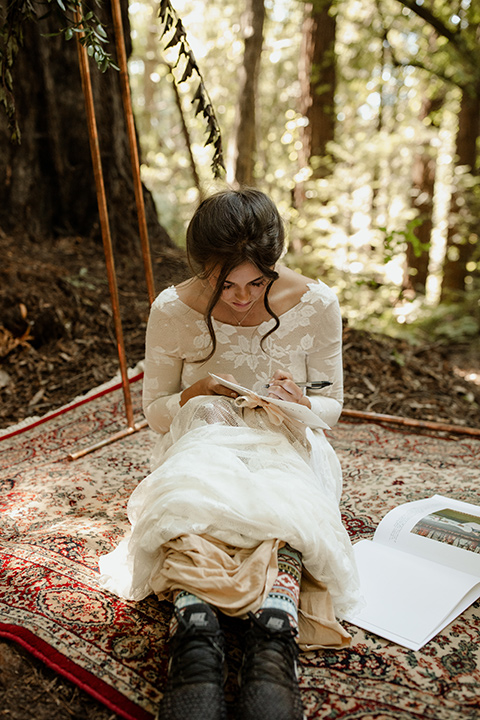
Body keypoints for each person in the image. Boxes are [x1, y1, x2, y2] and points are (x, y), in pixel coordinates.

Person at [99, 188, 360, 720]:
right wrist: (195, 394)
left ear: (275, 263)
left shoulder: (317, 304)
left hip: (285, 435)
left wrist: (298, 400)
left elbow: (331, 404)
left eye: (256, 283)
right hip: (202, 431)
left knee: (283, 500)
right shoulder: (172, 309)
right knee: (197, 488)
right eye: (225, 283)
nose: (241, 297)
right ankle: (195, 642)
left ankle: (273, 643)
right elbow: (155, 412)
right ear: (202, 267)